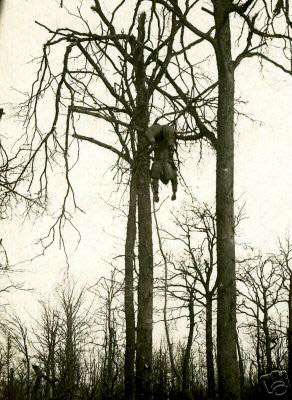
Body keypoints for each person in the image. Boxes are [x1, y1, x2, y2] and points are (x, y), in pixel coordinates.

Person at [145, 123, 177, 203]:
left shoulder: (160, 168)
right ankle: (158, 132)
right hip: (163, 138)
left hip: (160, 139)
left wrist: (156, 194)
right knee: (169, 142)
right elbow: (173, 180)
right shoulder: (168, 169)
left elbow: (155, 179)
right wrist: (174, 192)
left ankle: (158, 132)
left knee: (156, 172)